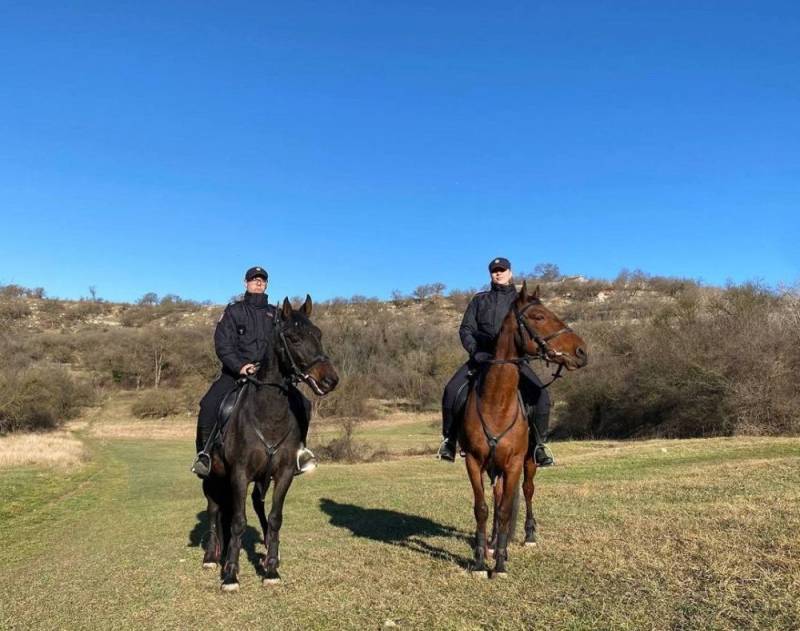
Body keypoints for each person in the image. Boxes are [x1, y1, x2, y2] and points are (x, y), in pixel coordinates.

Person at [191, 266, 316, 477]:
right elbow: (222, 344)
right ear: (245, 283)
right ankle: (204, 455)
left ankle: (300, 452)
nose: (258, 282)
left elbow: (285, 345)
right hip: (236, 373)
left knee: (304, 403)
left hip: (269, 376)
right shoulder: (234, 311)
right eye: (254, 279)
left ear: (266, 284)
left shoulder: (276, 315)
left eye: (262, 280)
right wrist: (240, 366)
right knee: (209, 404)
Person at [437, 257, 555, 467]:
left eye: (502, 270)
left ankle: (539, 445)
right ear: (490, 274)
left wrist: (533, 352)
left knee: (542, 397)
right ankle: (449, 440)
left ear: (510, 273)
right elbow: (466, 329)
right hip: (481, 358)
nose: (498, 273)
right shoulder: (479, 300)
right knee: (451, 391)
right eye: (494, 271)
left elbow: (534, 331)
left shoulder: (521, 301)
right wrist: (475, 352)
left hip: (514, 361)